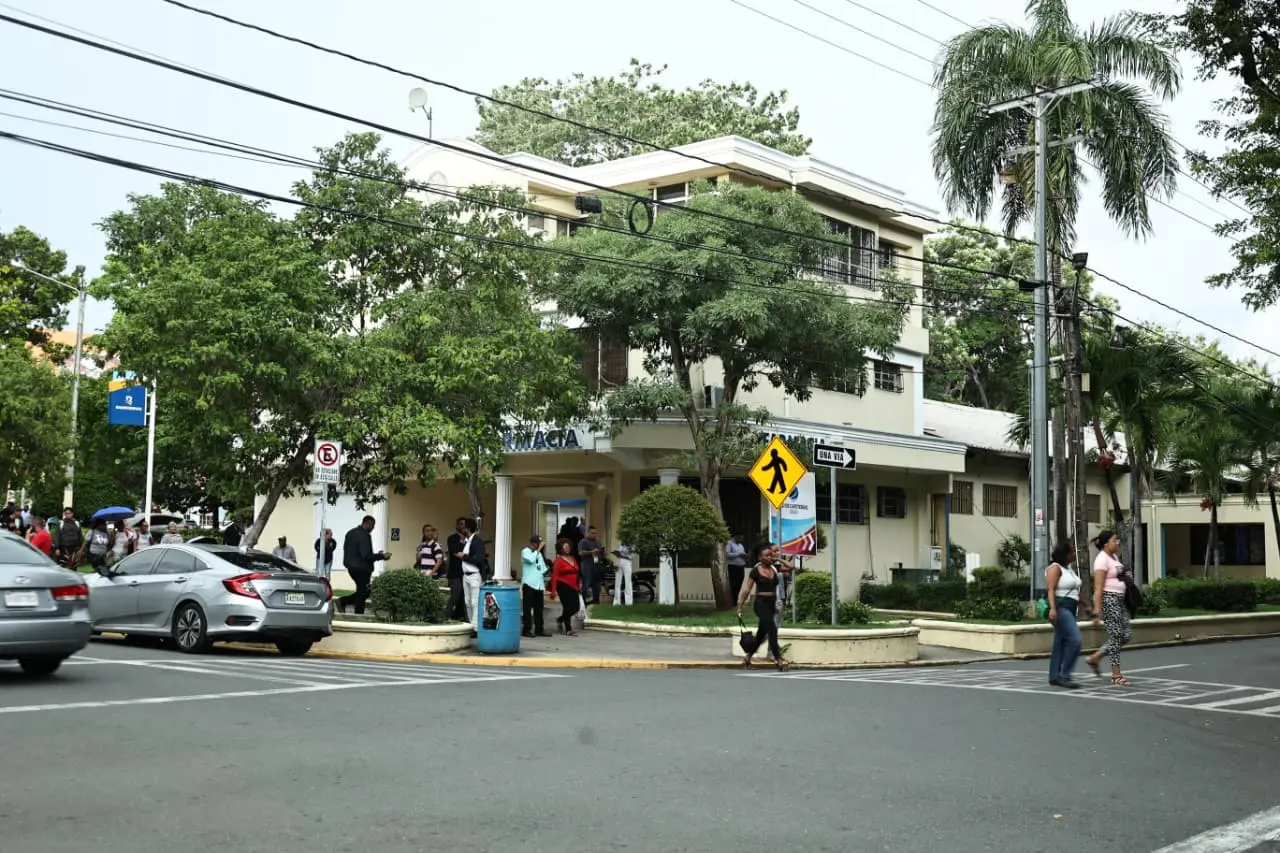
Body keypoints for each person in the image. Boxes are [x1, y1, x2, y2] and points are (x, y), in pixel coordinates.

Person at [1085, 530, 1133, 686]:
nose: (1117, 543)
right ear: (1106, 544)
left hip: (1120, 600)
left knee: (1126, 635)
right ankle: (1116, 674)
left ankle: (1095, 657)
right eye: (1114, 540)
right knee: (1116, 635)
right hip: (1109, 599)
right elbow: (1098, 588)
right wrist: (1097, 611)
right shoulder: (1101, 560)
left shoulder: (1114, 557)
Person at [737, 543, 788, 671]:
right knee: (772, 630)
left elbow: (790, 567)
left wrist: (778, 559)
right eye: (767, 555)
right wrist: (740, 606)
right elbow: (746, 589)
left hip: (771, 603)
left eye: (771, 555)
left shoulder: (774, 570)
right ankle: (778, 659)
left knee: (760, 635)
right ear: (760, 557)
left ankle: (748, 657)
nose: (770, 557)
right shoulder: (756, 571)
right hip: (760, 603)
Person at [1045, 540, 1083, 689]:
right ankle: (1064, 675)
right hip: (1061, 608)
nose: (1074, 554)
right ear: (1065, 554)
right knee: (1075, 640)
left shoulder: (1069, 569)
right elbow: (1050, 589)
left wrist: (1086, 605)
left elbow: (1075, 591)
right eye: (1072, 551)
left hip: (1072, 607)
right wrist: (1052, 609)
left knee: (1060, 642)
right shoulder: (1055, 568)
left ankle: (1055, 676)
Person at [336, 516, 391, 616]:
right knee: (363, 593)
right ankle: (356, 613)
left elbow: (352, 550)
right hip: (361, 568)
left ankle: (344, 602)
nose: (373, 528)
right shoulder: (365, 535)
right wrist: (382, 556)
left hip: (351, 567)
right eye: (372, 526)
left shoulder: (350, 533)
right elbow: (366, 555)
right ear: (367, 524)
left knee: (364, 591)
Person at [460, 518, 487, 636]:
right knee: (468, 602)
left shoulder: (477, 541)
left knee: (475, 602)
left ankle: (475, 628)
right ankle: (471, 625)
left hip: (474, 575)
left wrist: (464, 557)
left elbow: (479, 559)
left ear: (468, 528)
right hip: (465, 575)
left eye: (464, 526)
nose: (462, 529)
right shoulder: (467, 541)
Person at [520, 535, 552, 638]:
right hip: (529, 583)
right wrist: (538, 550)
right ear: (532, 544)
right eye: (538, 544)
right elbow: (531, 560)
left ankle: (539, 629)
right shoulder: (525, 551)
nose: (539, 546)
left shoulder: (539, 554)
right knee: (527, 608)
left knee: (539, 608)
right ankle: (526, 629)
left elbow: (542, 569)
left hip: (539, 585)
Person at [551, 538, 581, 636]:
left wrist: (578, 584)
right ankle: (568, 629)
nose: (567, 549)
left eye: (568, 547)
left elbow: (577, 572)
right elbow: (555, 576)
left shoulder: (573, 558)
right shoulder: (558, 560)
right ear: (560, 549)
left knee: (576, 607)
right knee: (567, 606)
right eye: (565, 547)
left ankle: (560, 619)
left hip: (573, 585)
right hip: (563, 585)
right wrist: (553, 591)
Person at [445, 517, 469, 622]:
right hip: (454, 573)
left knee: (464, 597)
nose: (463, 526)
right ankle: (444, 616)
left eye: (465, 524)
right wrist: (469, 555)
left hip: (465, 572)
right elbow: (455, 553)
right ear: (457, 526)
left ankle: (459, 616)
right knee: (454, 595)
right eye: (461, 524)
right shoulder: (452, 538)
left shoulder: (469, 539)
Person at [578, 525, 604, 605]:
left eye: (595, 533)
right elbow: (580, 553)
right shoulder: (583, 542)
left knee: (597, 586)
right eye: (592, 533)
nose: (594, 535)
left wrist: (601, 553)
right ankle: (583, 602)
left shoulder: (597, 542)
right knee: (586, 585)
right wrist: (591, 552)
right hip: (587, 566)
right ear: (588, 533)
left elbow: (600, 553)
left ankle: (596, 601)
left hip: (596, 566)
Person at [726, 534, 747, 599]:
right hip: (733, 567)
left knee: (739, 583)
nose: (742, 538)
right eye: (741, 537)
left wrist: (745, 556)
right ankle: (731, 599)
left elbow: (742, 555)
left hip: (741, 567)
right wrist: (738, 554)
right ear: (736, 536)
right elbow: (727, 554)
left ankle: (735, 599)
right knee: (733, 584)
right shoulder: (729, 543)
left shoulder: (741, 545)